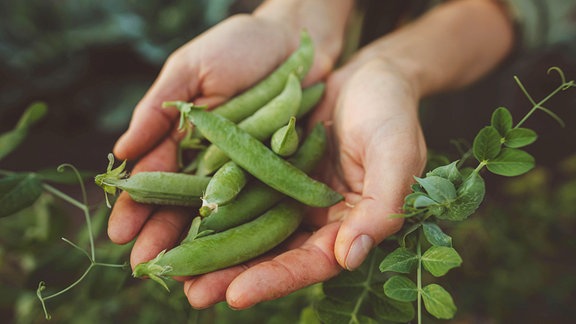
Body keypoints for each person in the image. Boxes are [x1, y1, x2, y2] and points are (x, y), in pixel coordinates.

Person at [107, 0, 576, 310]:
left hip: (458, 75)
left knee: (437, 152)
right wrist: (298, 12)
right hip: (105, 72)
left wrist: (396, 67)